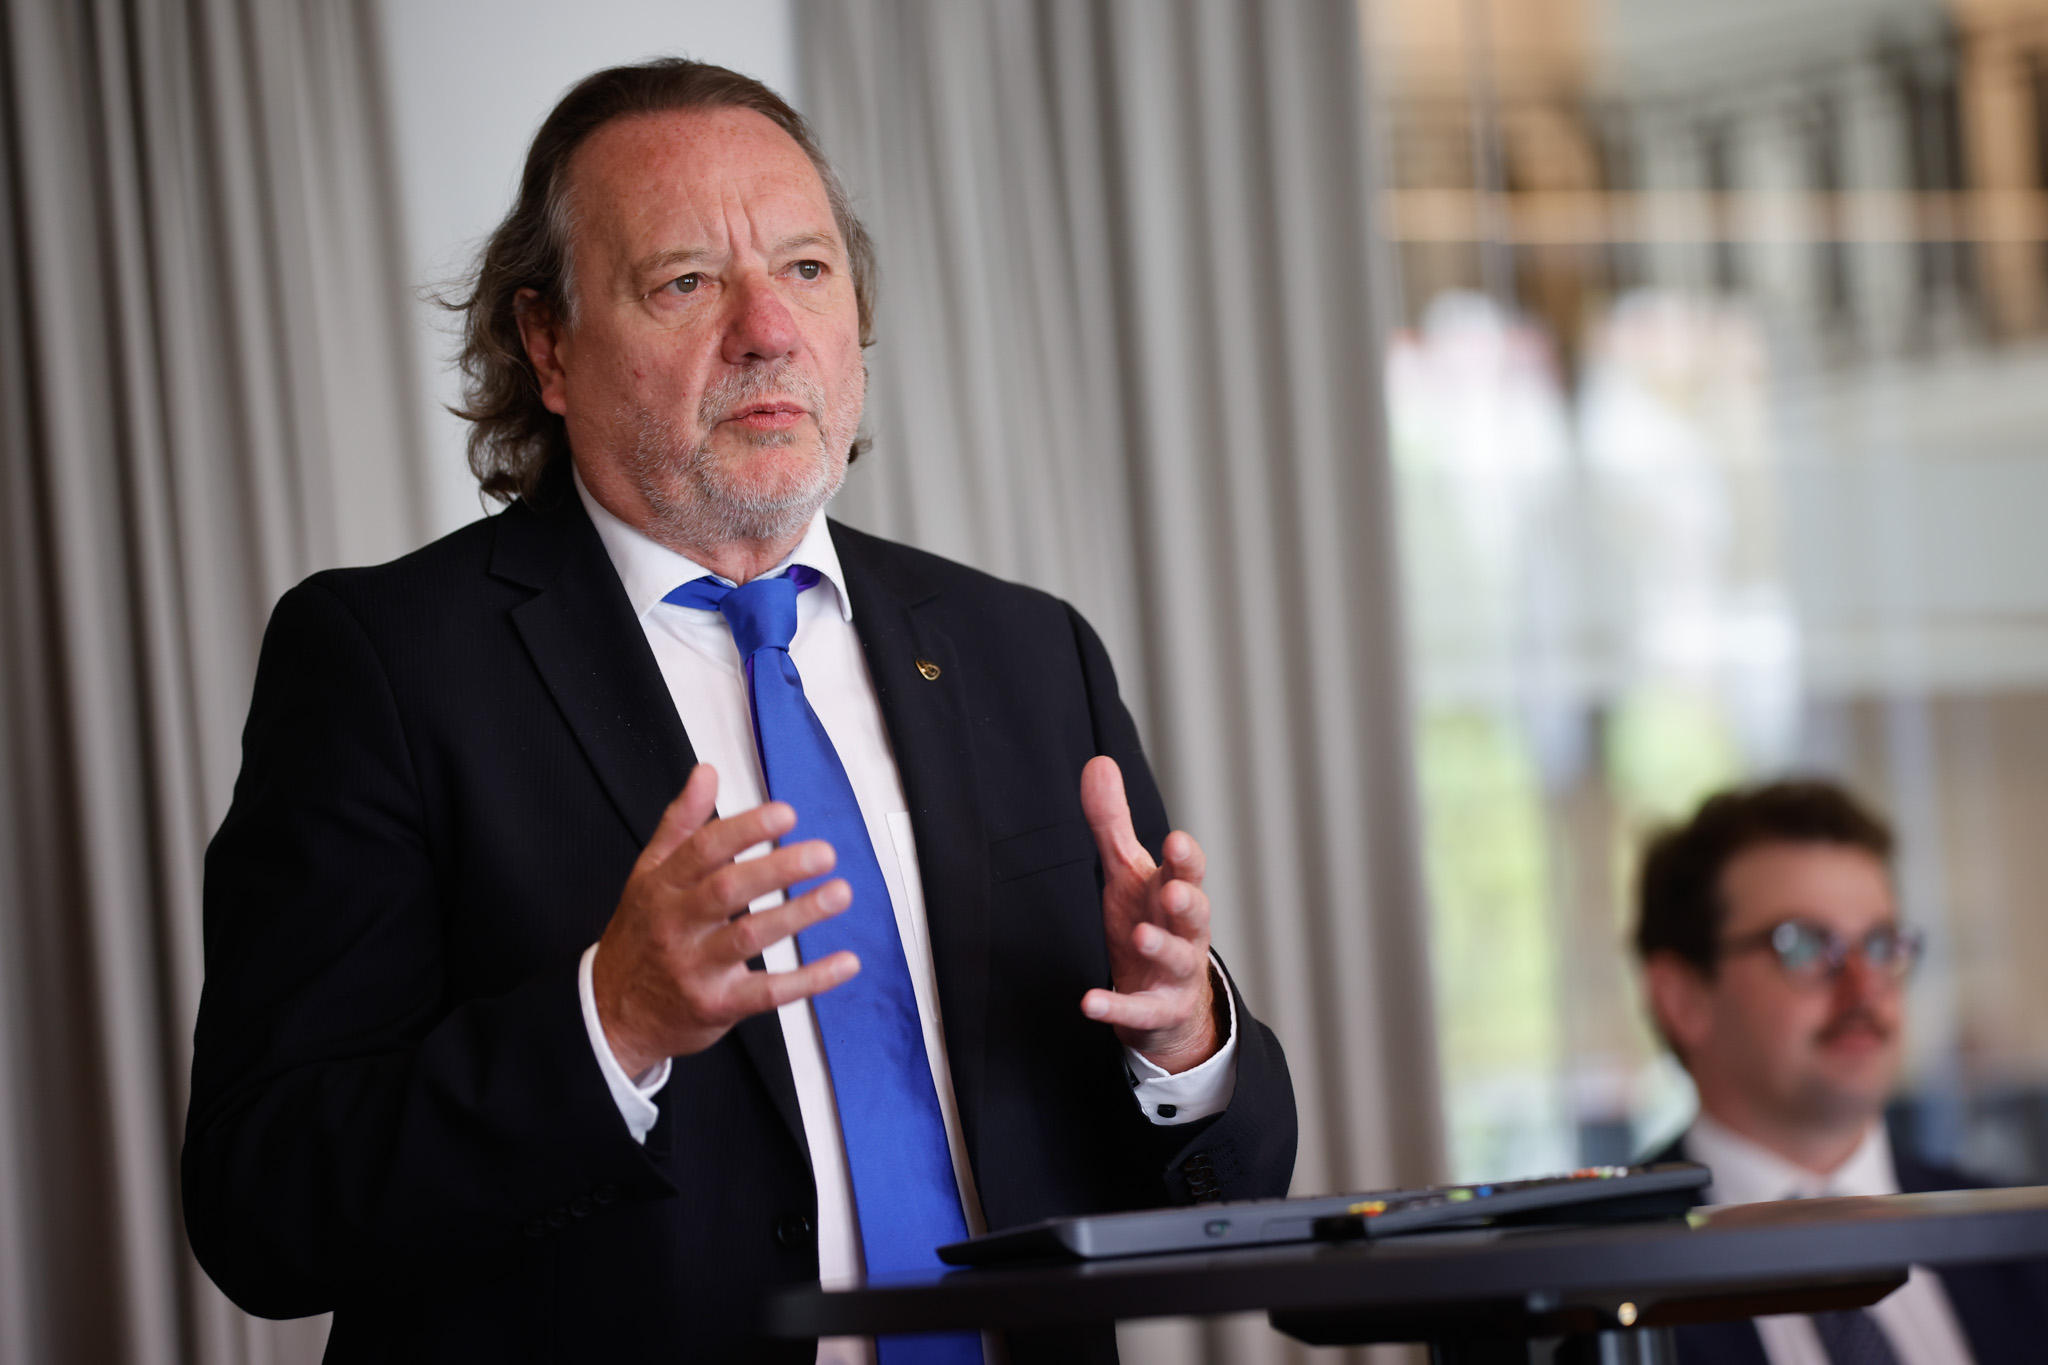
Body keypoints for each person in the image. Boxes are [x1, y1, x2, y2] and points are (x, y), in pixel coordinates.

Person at [181, 59, 1296, 1365]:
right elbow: (262, 1208)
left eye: (806, 269)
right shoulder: (385, 662)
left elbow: (1229, 1190)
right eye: (686, 281)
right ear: (548, 343)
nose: (768, 328)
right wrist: (610, 1023)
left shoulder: (1024, 651)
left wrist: (1182, 1041)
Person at [1634, 780, 2048, 1365]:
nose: (1863, 987)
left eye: (1880, 944)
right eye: (1803, 946)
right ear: (1682, 998)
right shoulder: (1578, 1280)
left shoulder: (2017, 1241)